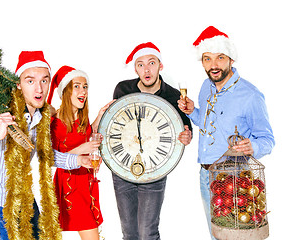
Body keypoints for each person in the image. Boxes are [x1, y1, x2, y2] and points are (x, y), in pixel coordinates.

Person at [0, 51, 92, 240]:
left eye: (44, 81)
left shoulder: (40, 118)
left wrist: (78, 160)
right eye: (30, 81)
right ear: (18, 84)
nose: (39, 89)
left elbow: (45, 154)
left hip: (25, 197)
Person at [178, 26, 275, 239]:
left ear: (231, 59)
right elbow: (209, 125)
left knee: (237, 236)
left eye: (220, 57)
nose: (213, 65)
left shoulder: (250, 95)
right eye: (207, 59)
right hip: (206, 175)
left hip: (236, 177)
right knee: (217, 235)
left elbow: (268, 139)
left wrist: (253, 146)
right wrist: (192, 112)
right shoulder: (206, 86)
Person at [112, 42, 193, 240]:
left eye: (151, 63)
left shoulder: (173, 95)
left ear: (160, 66)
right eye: (140, 64)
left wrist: (186, 136)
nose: (146, 69)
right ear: (135, 68)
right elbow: (114, 124)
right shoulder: (123, 89)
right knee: (129, 233)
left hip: (155, 171)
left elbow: (185, 131)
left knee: (148, 233)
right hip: (122, 169)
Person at [46, 65, 113, 240]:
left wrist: (99, 117)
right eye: (76, 86)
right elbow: (52, 158)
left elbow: (87, 136)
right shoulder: (55, 121)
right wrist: (81, 151)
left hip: (87, 181)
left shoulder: (83, 118)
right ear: (66, 91)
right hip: (70, 183)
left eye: (85, 86)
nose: (82, 90)